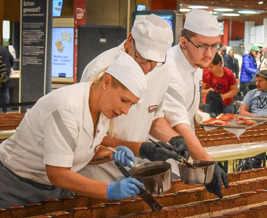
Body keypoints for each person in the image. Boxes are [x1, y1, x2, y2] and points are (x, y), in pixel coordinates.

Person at [0, 52, 148, 208]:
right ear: (106, 82)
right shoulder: (67, 107)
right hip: (15, 185)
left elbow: (79, 152)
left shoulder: (103, 111)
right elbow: (58, 174)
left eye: (131, 104)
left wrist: (112, 155)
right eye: (124, 100)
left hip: (53, 189)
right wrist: (109, 190)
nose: (125, 110)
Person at [78, 15, 189, 183]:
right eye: (142, 58)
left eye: (154, 62)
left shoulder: (162, 70)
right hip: (98, 173)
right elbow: (88, 136)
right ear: (130, 39)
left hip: (135, 169)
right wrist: (141, 149)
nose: (147, 68)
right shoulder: (101, 70)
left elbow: (153, 116)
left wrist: (173, 138)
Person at [163, 9, 229, 198]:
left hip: (183, 151)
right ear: (184, 42)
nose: (210, 54)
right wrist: (208, 162)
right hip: (160, 155)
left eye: (214, 46)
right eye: (202, 46)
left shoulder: (197, 62)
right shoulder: (170, 68)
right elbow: (179, 123)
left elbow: (188, 114)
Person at [0, 46, 14, 113]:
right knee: (5, 90)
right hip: (5, 74)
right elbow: (11, 59)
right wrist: (9, 67)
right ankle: (5, 110)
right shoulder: (4, 49)